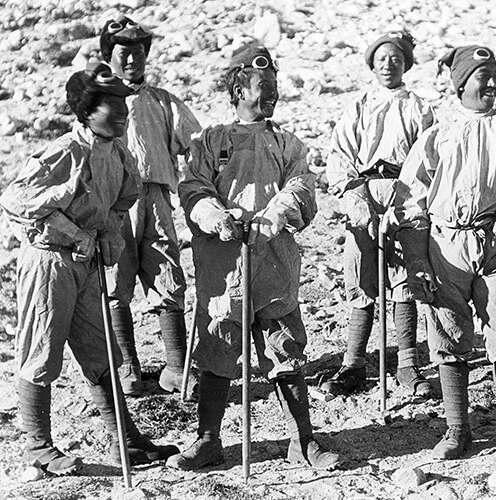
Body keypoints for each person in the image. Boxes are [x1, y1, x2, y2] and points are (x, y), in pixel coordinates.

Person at [167, 43, 341, 471]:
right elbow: (192, 188)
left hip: (273, 260)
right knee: (218, 345)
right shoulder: (209, 140)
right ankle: (208, 440)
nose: (270, 94)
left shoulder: (287, 143)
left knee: (285, 346)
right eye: (262, 86)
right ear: (238, 88)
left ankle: (303, 441)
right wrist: (213, 214)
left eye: (275, 87)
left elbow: (301, 185)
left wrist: (276, 214)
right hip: (224, 263)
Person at [0, 63, 179, 476]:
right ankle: (38, 447)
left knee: (100, 355)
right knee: (42, 352)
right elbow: (16, 200)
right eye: (109, 105)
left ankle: (126, 441)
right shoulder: (66, 150)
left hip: (87, 265)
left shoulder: (118, 152)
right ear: (86, 111)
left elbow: (123, 199)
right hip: (50, 263)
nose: (121, 113)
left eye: (122, 104)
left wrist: (109, 235)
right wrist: (73, 229)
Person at [393, 45, 496, 459]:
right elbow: (410, 199)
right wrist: (416, 258)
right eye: (480, 77)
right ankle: (457, 430)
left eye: (495, 76)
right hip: (446, 244)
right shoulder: (439, 134)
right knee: (448, 333)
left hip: (494, 241)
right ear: (460, 83)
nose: (490, 84)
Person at [322, 30, 436, 397]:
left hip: (405, 191)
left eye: (396, 59)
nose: (389, 65)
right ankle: (353, 364)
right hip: (363, 192)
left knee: (404, 277)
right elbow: (338, 155)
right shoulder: (358, 106)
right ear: (371, 63)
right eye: (382, 58)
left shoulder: (419, 107)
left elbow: (430, 157)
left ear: (406, 64)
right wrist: (354, 195)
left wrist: (413, 197)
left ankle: (407, 365)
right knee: (361, 276)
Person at [99, 16, 202, 395]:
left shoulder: (161, 101)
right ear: (108, 55)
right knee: (114, 280)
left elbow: (196, 141)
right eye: (123, 53)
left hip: (156, 196)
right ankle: (127, 367)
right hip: (113, 204)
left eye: (138, 53)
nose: (131, 61)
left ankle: (177, 366)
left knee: (166, 273)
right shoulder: (100, 102)